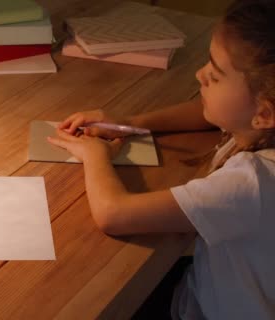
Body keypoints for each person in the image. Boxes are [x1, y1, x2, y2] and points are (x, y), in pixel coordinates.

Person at [47, 0, 275, 319]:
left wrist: (94, 155)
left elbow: (113, 214)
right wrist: (129, 122)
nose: (199, 74)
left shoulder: (252, 181)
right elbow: (207, 115)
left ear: (264, 112)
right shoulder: (258, 126)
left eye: (215, 74)